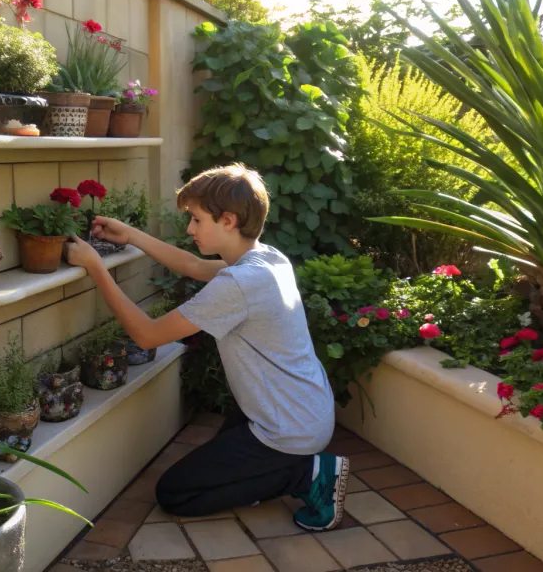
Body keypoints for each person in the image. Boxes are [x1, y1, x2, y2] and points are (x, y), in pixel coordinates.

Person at [64, 163, 348, 531]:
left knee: (175, 493)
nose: (189, 229)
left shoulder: (241, 283)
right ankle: (283, 466)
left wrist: (96, 268)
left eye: (196, 220)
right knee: (223, 466)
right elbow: (195, 266)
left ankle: (305, 475)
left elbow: (147, 336)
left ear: (228, 220)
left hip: (288, 427)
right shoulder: (268, 259)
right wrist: (131, 235)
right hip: (301, 407)